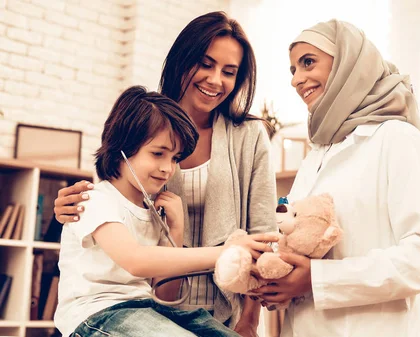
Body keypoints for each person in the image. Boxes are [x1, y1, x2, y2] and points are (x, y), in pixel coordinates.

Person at [52, 12, 277, 337]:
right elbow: (112, 200)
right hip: (153, 301)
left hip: (211, 304)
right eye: (206, 64)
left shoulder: (250, 135)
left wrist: (251, 319)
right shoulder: (143, 122)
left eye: (229, 72)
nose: (216, 80)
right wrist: (68, 209)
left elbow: (263, 232)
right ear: (182, 61)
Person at [252, 19, 420, 336]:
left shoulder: (398, 139)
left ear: (348, 63)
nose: (297, 79)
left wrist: (320, 280)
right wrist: (282, 281)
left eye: (308, 63)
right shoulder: (318, 153)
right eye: (293, 70)